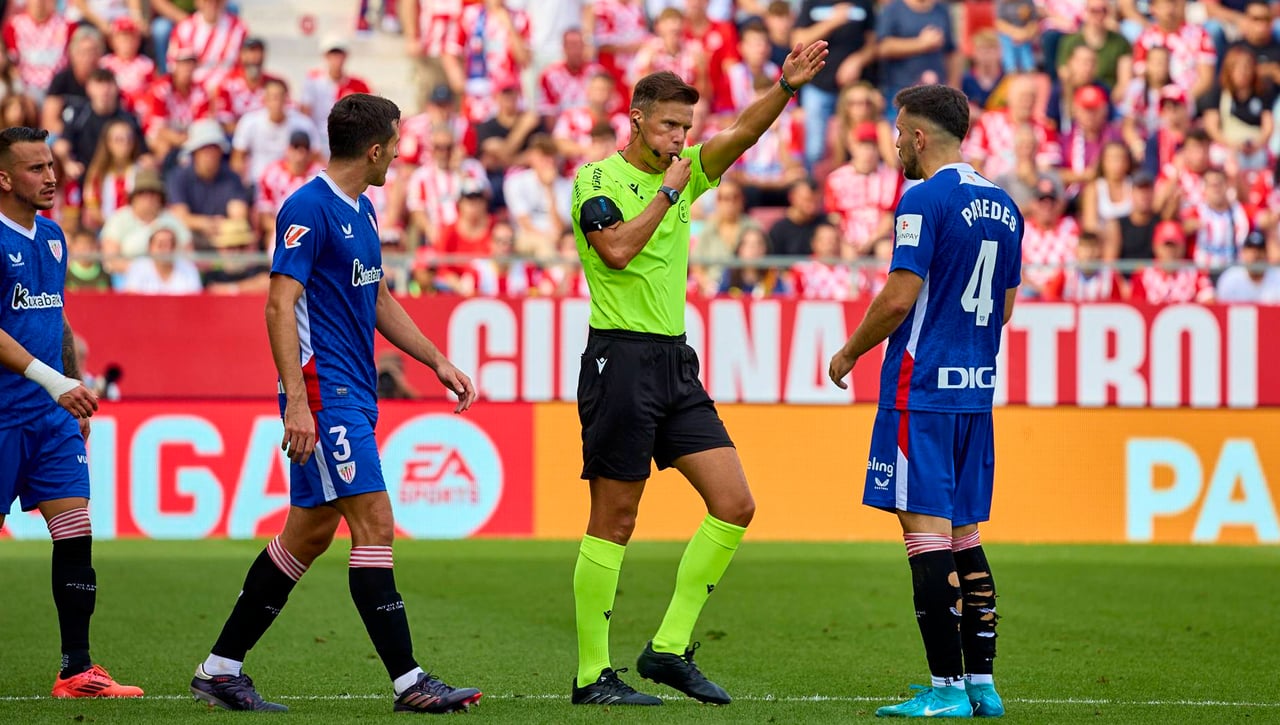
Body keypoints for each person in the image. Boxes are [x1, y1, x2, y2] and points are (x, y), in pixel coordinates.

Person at [188, 94, 483, 714]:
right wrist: (297, 402)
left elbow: (377, 299)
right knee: (375, 523)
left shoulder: (363, 208)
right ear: (374, 150)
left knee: (307, 535)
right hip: (325, 395)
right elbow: (278, 303)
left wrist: (436, 360)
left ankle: (220, 669)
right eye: (395, 144)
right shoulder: (307, 207)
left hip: (353, 391)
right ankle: (410, 681)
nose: (399, 154)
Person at [567, 40, 828, 706]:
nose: (679, 139)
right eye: (667, 126)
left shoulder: (686, 170)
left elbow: (741, 133)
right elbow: (617, 251)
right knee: (614, 520)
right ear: (636, 119)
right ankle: (592, 675)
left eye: (685, 128)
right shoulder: (596, 180)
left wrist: (785, 88)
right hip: (619, 359)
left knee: (735, 503)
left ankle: (667, 648)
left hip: (675, 363)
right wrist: (668, 194)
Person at [827, 84, 1021, 719]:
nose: (894, 144)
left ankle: (945, 689)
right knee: (964, 532)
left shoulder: (922, 198)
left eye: (897, 131)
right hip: (975, 393)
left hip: (921, 391)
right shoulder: (1005, 206)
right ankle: (982, 686)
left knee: (925, 535)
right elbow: (1005, 308)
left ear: (917, 135)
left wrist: (850, 352)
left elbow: (898, 296)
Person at [0, 126, 143, 698]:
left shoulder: (55, 237)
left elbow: (54, 316)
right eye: (35, 168)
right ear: (4, 178)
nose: (50, 177)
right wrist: (54, 381)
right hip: (4, 417)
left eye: (51, 165)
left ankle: (77, 669)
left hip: (51, 418)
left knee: (75, 532)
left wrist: (73, 389)